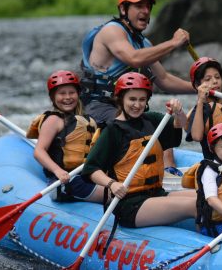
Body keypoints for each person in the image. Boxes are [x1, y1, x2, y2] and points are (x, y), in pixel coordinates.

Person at [79, 0, 193, 174]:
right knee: (134, 125)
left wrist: (198, 87)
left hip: (126, 106)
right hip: (97, 105)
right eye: (139, 6)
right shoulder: (112, 31)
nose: (145, 11)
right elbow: (132, 58)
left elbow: (163, 79)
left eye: (148, 6)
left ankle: (170, 170)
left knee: (161, 123)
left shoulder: (143, 42)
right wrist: (173, 43)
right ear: (123, 9)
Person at [82, 72, 195, 228]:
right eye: (132, 99)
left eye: (142, 99)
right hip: (130, 204)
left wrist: (179, 112)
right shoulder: (112, 131)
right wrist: (112, 184)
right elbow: (91, 169)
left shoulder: (152, 120)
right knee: (193, 205)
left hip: (156, 193)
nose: (137, 105)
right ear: (121, 99)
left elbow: (180, 124)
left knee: (207, 197)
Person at [28, 70, 104, 203]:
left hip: (85, 175)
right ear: (53, 97)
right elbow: (39, 151)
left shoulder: (87, 120)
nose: (67, 97)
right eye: (62, 93)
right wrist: (58, 171)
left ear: (78, 94)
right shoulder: (54, 120)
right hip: (66, 180)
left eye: (71, 92)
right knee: (116, 195)